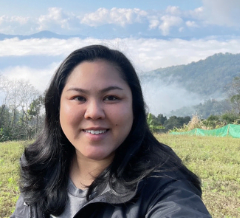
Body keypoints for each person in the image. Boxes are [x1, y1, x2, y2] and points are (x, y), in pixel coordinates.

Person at [13, 45, 211, 218]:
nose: (94, 113)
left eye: (111, 98)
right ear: (57, 107)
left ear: (135, 107)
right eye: (79, 98)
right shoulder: (41, 167)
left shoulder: (165, 185)